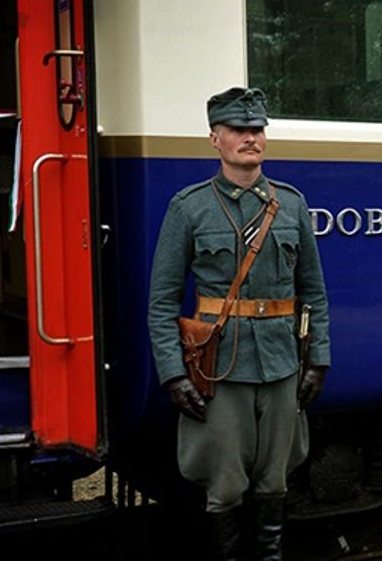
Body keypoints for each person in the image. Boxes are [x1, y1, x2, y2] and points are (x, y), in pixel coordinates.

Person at [148, 87, 331, 561]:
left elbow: (313, 291)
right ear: (215, 139)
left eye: (257, 130)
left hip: (281, 363)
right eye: (238, 130)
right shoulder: (189, 208)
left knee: (275, 479)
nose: (250, 138)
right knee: (225, 486)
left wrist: (318, 361)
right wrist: (173, 373)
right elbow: (162, 301)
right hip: (218, 369)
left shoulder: (290, 205)